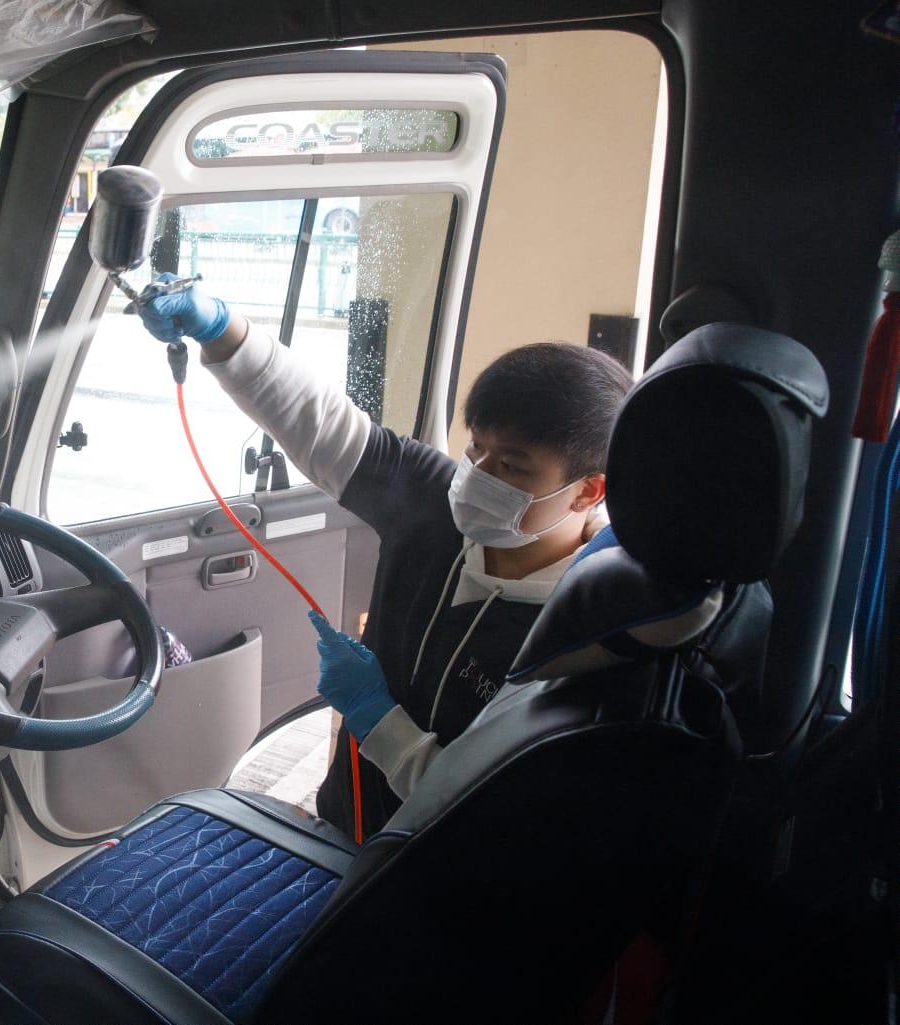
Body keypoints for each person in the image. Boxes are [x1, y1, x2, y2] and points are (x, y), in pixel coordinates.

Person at [138, 276, 631, 836]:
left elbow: (494, 815)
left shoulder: (583, 637)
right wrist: (222, 329)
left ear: (588, 491)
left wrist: (380, 722)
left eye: (512, 466)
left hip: (435, 868)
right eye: (476, 445)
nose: (477, 475)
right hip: (342, 824)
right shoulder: (433, 504)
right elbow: (322, 424)